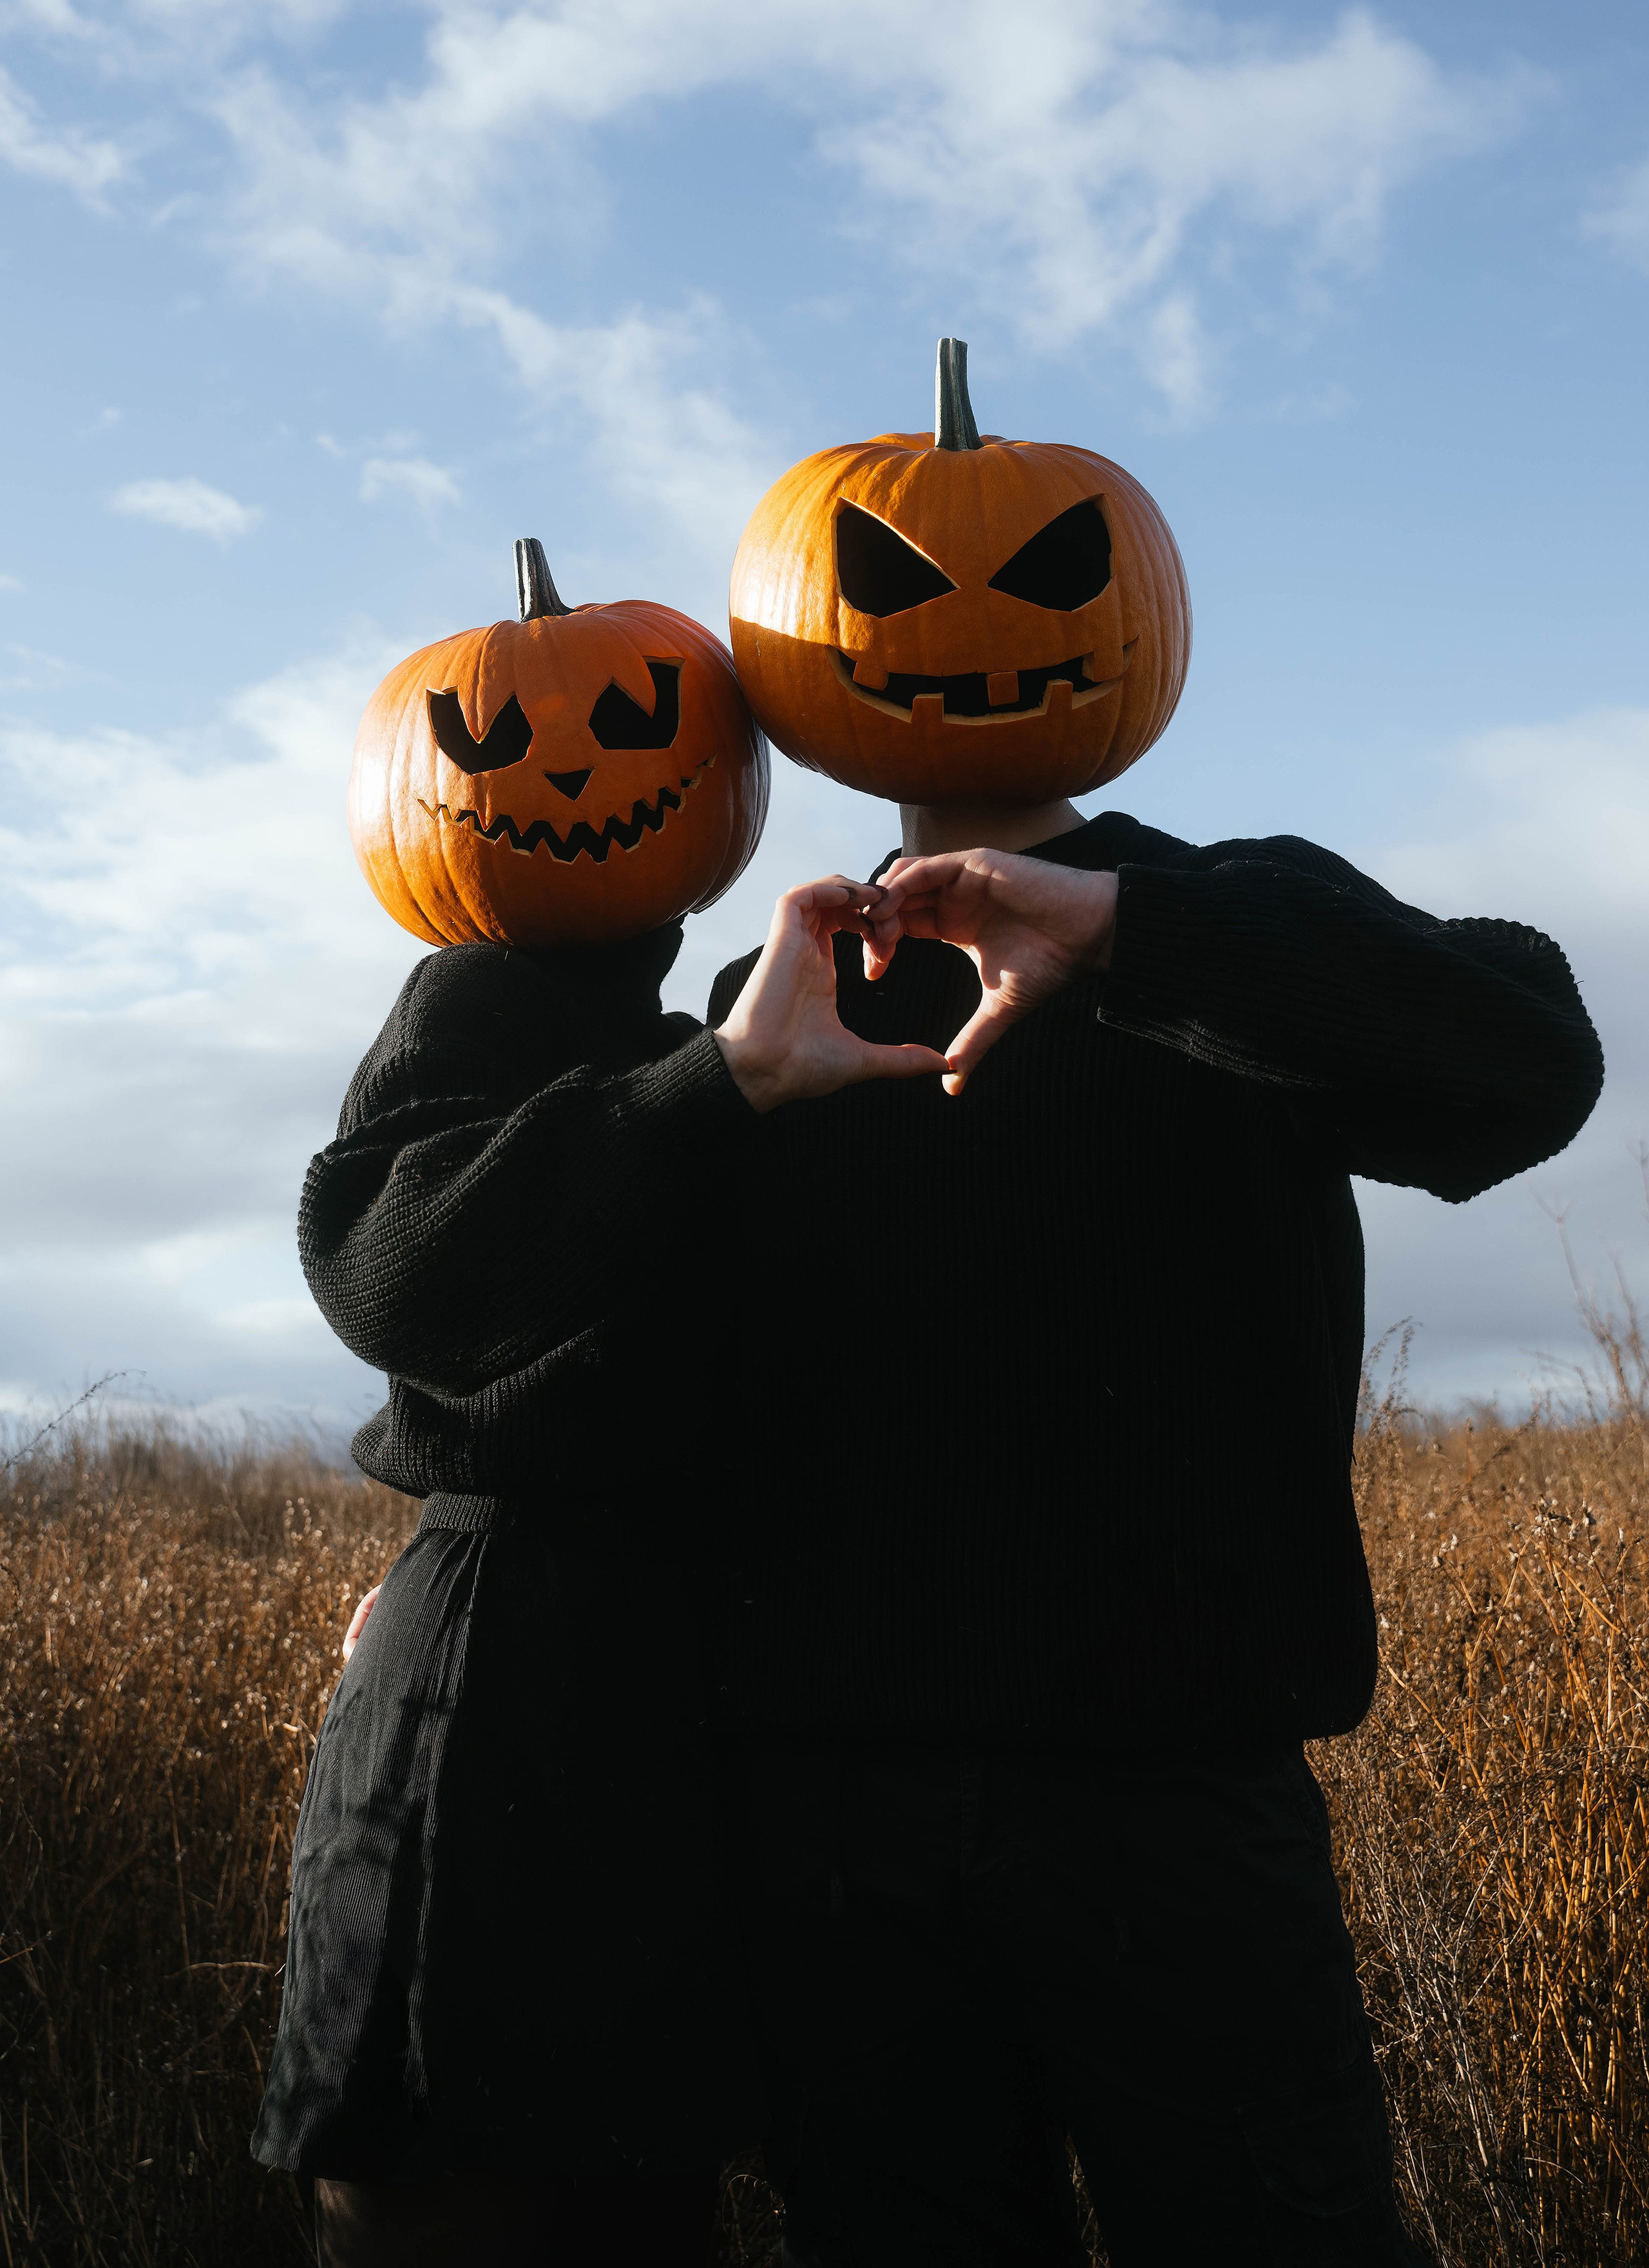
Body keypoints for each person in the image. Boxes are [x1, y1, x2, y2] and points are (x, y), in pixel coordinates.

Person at [705, 793, 1604, 2268]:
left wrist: (1127, 929)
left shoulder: (1218, 918)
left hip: (1172, 1813)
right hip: (839, 1841)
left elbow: (1525, 1062)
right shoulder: (776, 992)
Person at [251, 870, 949, 2268]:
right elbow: (387, 1278)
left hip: (645, 1690)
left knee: (620, 2195)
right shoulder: (482, 996)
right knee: (466, 2190)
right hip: (508, 1681)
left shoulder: (686, 1027)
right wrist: (724, 1078)